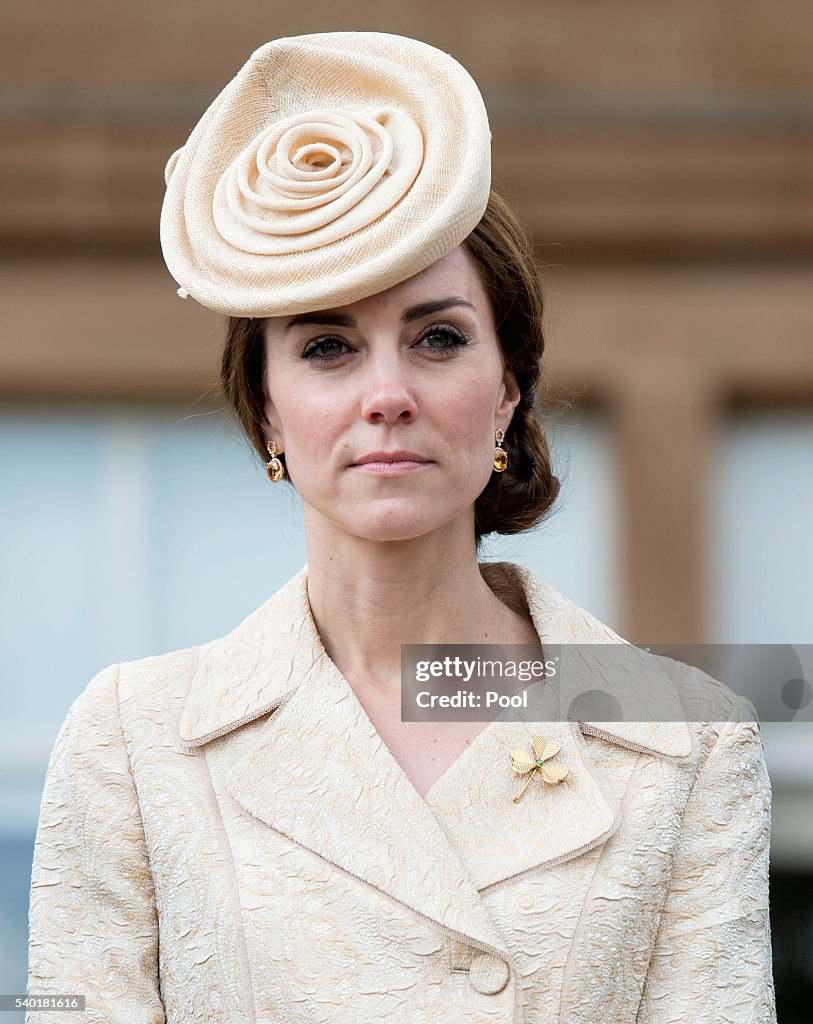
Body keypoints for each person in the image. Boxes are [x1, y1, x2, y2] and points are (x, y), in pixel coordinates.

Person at [26, 31, 777, 1024]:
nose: (387, 393)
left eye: (436, 338)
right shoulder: (131, 740)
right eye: (329, 345)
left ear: (507, 391)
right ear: (266, 411)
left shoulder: (685, 738)